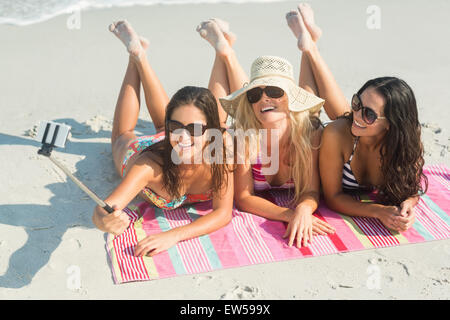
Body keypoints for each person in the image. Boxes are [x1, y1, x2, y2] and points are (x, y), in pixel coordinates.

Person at [92, 21, 234, 257]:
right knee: (122, 135)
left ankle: (139, 53)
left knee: (171, 124)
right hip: (144, 151)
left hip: (177, 145)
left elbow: (223, 213)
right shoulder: (146, 166)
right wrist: (102, 219)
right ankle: (134, 59)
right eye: (175, 127)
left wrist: (174, 234)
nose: (184, 136)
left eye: (196, 129)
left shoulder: (219, 151)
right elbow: (106, 207)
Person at [286, 4, 427, 231]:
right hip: (342, 136)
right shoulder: (336, 133)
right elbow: (332, 197)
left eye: (369, 113)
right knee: (308, 116)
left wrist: (408, 204)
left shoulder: (406, 143)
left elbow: (411, 188)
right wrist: (377, 211)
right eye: (357, 103)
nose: (358, 114)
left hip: (358, 134)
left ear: (392, 125)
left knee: (344, 116)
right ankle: (308, 49)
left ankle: (311, 42)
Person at [196, 19, 336, 248]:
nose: (263, 98)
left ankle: (309, 44)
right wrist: (288, 214)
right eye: (254, 96)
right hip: (253, 128)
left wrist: (302, 208)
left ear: (291, 97)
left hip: (299, 123)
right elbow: (244, 198)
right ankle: (223, 51)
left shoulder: (310, 136)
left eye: (273, 91)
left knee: (311, 112)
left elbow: (311, 190)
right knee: (215, 121)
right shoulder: (244, 138)